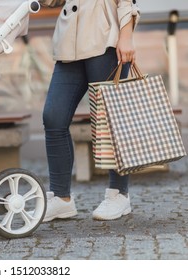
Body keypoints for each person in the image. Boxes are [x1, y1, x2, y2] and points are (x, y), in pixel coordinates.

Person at [39, 0, 140, 221]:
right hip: (69, 44)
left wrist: (126, 36)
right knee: (53, 117)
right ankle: (61, 198)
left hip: (104, 41)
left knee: (109, 119)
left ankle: (119, 194)